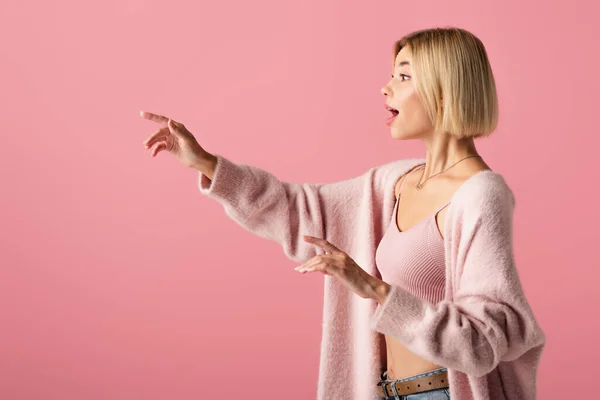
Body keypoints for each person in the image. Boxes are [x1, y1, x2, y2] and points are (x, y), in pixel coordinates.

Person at [141, 27, 546, 400]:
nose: (385, 88)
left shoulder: (480, 194)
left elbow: (484, 340)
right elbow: (296, 208)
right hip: (387, 391)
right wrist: (206, 163)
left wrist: (374, 289)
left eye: (403, 77)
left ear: (445, 91)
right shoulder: (394, 183)